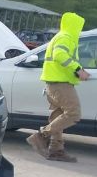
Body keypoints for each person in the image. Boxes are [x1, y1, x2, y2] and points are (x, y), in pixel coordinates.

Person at [26, 12, 90, 162]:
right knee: (73, 114)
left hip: (54, 83)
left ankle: (56, 150)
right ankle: (41, 136)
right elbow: (59, 55)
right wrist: (78, 70)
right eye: (79, 27)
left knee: (57, 117)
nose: (79, 31)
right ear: (75, 26)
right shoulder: (66, 37)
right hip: (60, 84)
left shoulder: (60, 36)